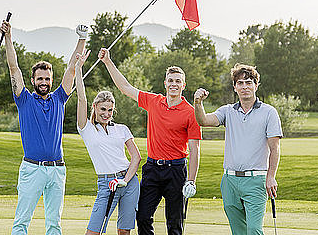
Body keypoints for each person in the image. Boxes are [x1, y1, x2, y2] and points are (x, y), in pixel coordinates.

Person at [98, 47, 201, 235]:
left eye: (178, 81)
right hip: (153, 169)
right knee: (143, 217)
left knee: (174, 224)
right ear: (165, 83)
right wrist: (108, 62)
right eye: (170, 80)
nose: (174, 84)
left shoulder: (190, 112)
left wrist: (191, 181)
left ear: (183, 85)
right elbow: (125, 87)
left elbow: (194, 149)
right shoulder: (154, 101)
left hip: (176, 171)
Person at [2, 19, 88, 235]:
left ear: (51, 80)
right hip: (33, 169)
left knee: (54, 224)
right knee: (22, 222)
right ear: (32, 80)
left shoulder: (60, 98)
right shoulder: (24, 99)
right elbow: (14, 68)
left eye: (47, 78)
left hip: (57, 170)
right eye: (39, 78)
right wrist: (9, 37)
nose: (43, 81)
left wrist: (82, 39)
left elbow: (71, 69)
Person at [193, 63, 282, 235]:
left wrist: (271, 177)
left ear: (256, 85)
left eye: (248, 82)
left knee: (254, 230)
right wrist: (198, 103)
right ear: (235, 87)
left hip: (256, 181)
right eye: (240, 83)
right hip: (230, 181)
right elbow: (203, 120)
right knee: (238, 231)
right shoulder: (228, 111)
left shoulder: (269, 112)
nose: (244, 87)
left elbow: (275, 148)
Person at [74, 49, 142, 235]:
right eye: (103, 109)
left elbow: (136, 157)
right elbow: (81, 98)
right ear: (95, 107)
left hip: (128, 182)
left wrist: (125, 180)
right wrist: (78, 69)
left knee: (124, 231)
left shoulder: (121, 129)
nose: (106, 113)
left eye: (110, 110)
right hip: (106, 184)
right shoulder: (86, 128)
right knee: (93, 232)